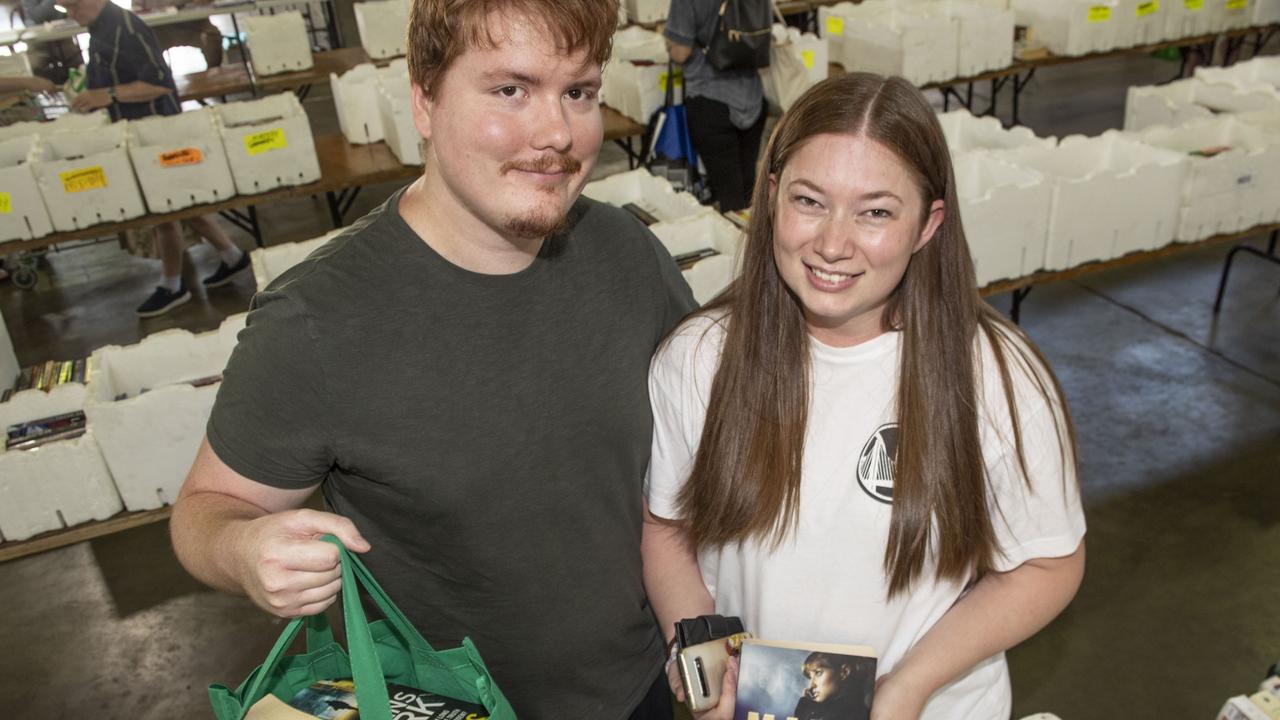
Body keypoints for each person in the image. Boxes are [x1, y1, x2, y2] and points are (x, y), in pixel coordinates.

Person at [169, 0, 696, 717]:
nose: (556, 133)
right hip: (449, 705)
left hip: (643, 687)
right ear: (424, 101)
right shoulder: (316, 323)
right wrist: (246, 551)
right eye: (510, 89)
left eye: (578, 92)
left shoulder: (629, 255)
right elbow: (205, 510)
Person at [642, 73, 1086, 720]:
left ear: (928, 224)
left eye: (876, 211)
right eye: (809, 201)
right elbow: (667, 527)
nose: (832, 243)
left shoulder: (993, 374)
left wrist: (910, 686)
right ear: (771, 197)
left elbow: (1047, 564)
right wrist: (705, 667)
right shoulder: (700, 357)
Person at [61, 0, 249, 317]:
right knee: (175, 202)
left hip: (158, 131)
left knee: (164, 207)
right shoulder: (100, 27)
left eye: (74, 7)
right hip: (135, 129)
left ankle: (172, 284)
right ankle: (231, 255)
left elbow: (160, 85)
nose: (72, 16)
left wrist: (109, 95)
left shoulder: (126, 28)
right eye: (65, 9)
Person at [664, 0, 767, 212]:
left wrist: (668, 43)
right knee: (749, 190)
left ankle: (738, 242)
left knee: (729, 197)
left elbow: (680, 52)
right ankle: (755, 240)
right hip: (753, 98)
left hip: (710, 101)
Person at [792, 652, 874, 720]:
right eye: (810, 677)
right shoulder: (824, 712)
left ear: (844, 671)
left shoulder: (851, 714)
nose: (811, 685)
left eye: (818, 673)